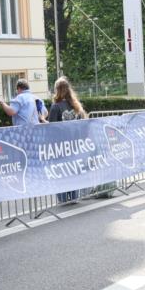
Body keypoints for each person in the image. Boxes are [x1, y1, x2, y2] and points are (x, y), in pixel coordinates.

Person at [48, 76, 88, 204]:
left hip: (60, 146)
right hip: (75, 145)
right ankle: (74, 196)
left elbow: (51, 128)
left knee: (61, 172)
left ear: (57, 90)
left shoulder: (55, 107)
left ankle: (64, 198)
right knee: (73, 170)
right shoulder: (77, 107)